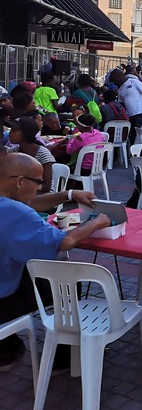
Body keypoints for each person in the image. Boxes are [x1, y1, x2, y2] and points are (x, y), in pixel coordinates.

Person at [0, 153, 110, 370]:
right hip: (3, 302)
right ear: (20, 181)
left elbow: (27, 205)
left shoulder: (10, 205)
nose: (40, 188)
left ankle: (8, 347)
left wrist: (69, 194)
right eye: (39, 182)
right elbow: (64, 242)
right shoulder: (14, 212)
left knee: (33, 274)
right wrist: (98, 222)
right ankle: (65, 357)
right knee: (67, 281)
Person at [8, 117, 55, 193]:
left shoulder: (43, 154)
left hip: (42, 195)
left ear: (26, 133)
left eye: (14, 130)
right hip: (20, 193)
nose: (10, 133)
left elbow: (46, 187)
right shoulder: (13, 152)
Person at [110, 68, 142, 136]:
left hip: (141, 112)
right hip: (130, 116)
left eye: (115, 81)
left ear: (119, 77)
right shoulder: (120, 90)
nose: (115, 83)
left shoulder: (134, 82)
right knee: (134, 134)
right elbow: (122, 104)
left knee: (141, 134)